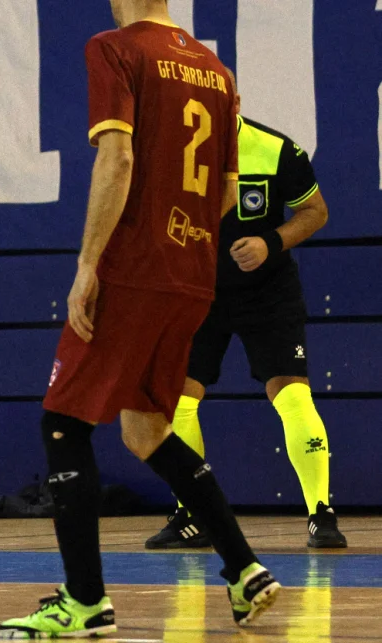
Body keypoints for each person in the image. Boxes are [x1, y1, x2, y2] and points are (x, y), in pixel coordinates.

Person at [0, 0, 280, 639]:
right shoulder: (216, 68)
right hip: (193, 275)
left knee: (63, 423)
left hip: (134, 268)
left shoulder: (115, 48)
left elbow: (118, 160)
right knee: (146, 429)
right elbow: (230, 192)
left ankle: (85, 599)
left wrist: (88, 263)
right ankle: (244, 568)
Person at [146, 72, 345, 550]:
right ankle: (191, 512)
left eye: (220, 101)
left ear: (235, 100)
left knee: (292, 397)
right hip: (199, 292)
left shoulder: (278, 151)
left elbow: (316, 212)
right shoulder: (169, 153)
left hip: (267, 294)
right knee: (179, 402)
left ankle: (322, 513)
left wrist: (271, 242)